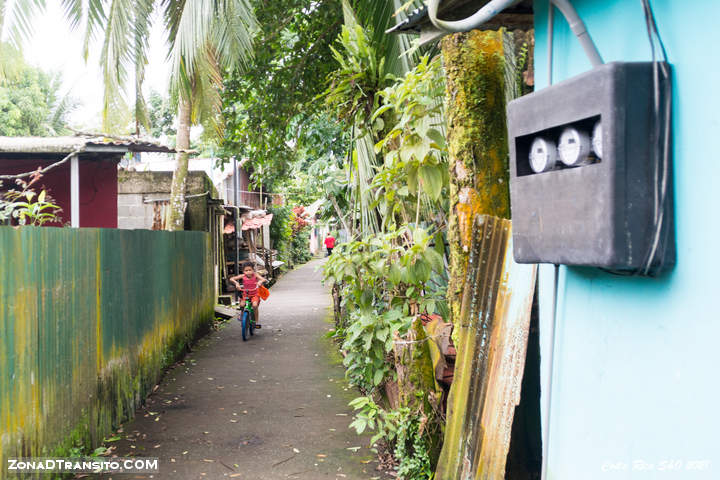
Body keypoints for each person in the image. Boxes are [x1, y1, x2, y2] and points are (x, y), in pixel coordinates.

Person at [230, 262, 267, 326]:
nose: (248, 272)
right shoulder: (243, 276)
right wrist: (236, 283)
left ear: (253, 270)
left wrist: (260, 281)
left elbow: (263, 279)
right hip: (245, 294)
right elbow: (231, 279)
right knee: (242, 305)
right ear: (243, 271)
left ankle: (256, 321)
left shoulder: (255, 275)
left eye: (250, 270)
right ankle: (242, 314)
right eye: (246, 270)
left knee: (255, 306)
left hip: (255, 294)